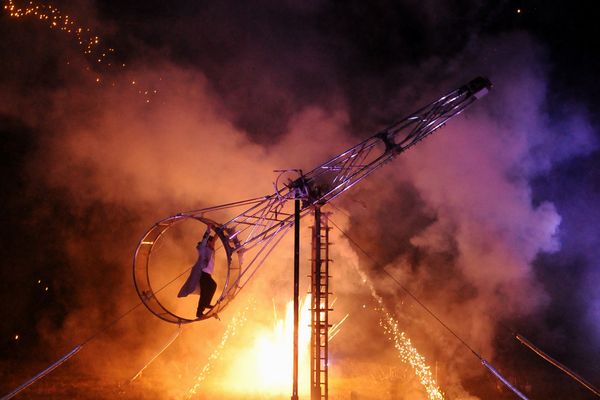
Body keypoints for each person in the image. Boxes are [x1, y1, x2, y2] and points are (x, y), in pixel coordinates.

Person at [177, 225, 218, 318]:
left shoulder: (211, 250)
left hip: (207, 274)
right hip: (202, 272)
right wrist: (208, 231)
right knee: (212, 286)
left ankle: (202, 308)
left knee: (207, 289)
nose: (214, 244)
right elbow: (205, 242)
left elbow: (215, 240)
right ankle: (202, 308)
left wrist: (219, 232)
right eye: (212, 243)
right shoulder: (203, 248)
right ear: (208, 243)